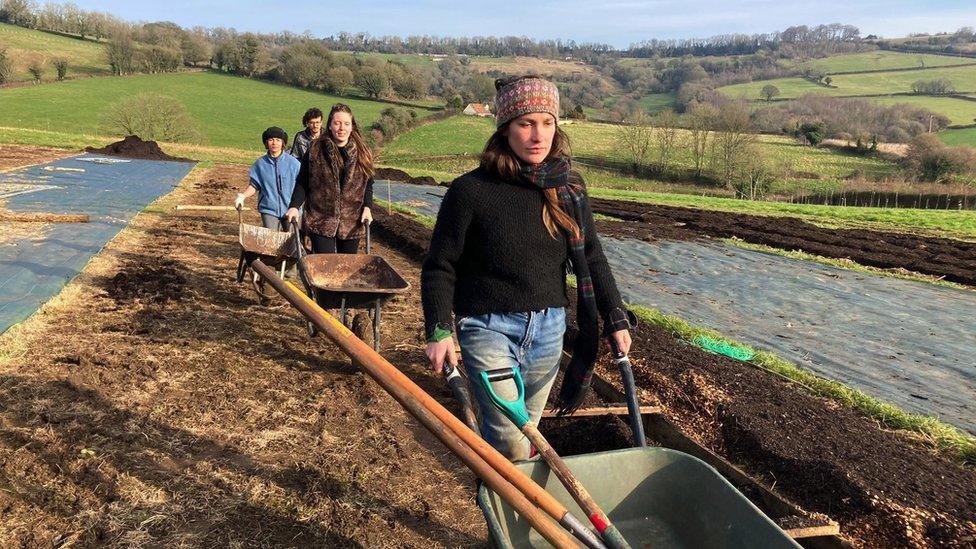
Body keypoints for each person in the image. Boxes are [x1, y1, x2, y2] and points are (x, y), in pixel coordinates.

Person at [421, 75, 633, 461]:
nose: (539, 135)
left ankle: (508, 509)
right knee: (511, 441)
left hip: (549, 328)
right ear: (504, 130)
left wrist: (615, 317)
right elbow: (440, 265)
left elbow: (593, 254)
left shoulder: (568, 187)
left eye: (547, 123)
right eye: (526, 123)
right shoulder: (470, 191)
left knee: (528, 434)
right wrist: (438, 328)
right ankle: (517, 511)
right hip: (487, 328)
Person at [286, 104, 374, 254]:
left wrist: (367, 207)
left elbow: (368, 184)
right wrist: (294, 206)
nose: (341, 128)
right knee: (325, 266)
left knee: (345, 268)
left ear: (352, 126)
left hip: (351, 220)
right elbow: (303, 181)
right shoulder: (315, 150)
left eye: (346, 124)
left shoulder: (362, 153)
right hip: (321, 218)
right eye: (337, 123)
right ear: (330, 126)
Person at [235, 127, 301, 231]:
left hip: (290, 209)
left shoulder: (294, 164)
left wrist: (297, 206)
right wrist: (243, 196)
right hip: (269, 210)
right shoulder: (260, 164)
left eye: (278, 140)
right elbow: (254, 185)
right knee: (271, 240)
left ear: (283, 143)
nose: (274, 143)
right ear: (266, 143)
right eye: (271, 140)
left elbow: (302, 186)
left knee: (292, 241)